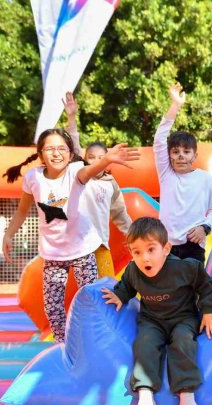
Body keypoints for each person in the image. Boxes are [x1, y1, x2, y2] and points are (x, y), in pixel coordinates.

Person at [2, 128, 139, 342]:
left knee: (93, 299)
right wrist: (8, 234)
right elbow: (21, 211)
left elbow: (88, 172)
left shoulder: (76, 170)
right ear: (40, 154)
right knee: (54, 311)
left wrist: (106, 160)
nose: (56, 153)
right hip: (54, 255)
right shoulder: (33, 177)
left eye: (61, 149)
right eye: (50, 149)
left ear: (70, 152)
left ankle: (98, 342)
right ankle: (64, 349)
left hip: (84, 250)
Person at [101, 217, 212, 405]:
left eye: (150, 250)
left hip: (182, 318)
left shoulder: (185, 268)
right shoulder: (133, 270)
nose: (144, 258)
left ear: (166, 249)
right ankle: (146, 396)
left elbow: (206, 286)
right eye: (136, 252)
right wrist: (119, 296)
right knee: (144, 344)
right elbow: (127, 286)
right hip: (152, 320)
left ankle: (186, 396)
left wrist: (208, 312)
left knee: (183, 341)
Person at [64, 92, 132, 277]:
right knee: (85, 292)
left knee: (104, 286)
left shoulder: (110, 184)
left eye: (101, 158)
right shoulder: (80, 178)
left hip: (101, 245)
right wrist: (71, 117)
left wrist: (134, 238)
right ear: (85, 160)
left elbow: (121, 215)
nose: (95, 161)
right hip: (79, 247)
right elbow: (74, 147)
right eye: (91, 157)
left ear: (108, 161)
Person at [153, 82, 212, 263]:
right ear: (169, 156)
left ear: (195, 155)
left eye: (186, 152)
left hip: (194, 244)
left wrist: (205, 228)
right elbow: (159, 141)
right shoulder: (166, 174)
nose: (181, 156)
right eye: (175, 152)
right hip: (166, 245)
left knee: (192, 289)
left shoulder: (205, 178)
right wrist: (175, 105)